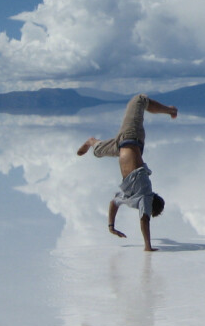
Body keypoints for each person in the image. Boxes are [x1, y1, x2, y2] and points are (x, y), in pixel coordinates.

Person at [76, 94, 178, 251]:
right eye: (149, 211)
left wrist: (111, 226)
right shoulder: (145, 195)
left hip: (120, 146)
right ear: (151, 203)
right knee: (139, 100)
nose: (146, 212)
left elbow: (113, 203)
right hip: (132, 137)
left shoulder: (130, 198)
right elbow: (144, 220)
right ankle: (170, 110)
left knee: (98, 151)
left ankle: (92, 141)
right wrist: (147, 246)